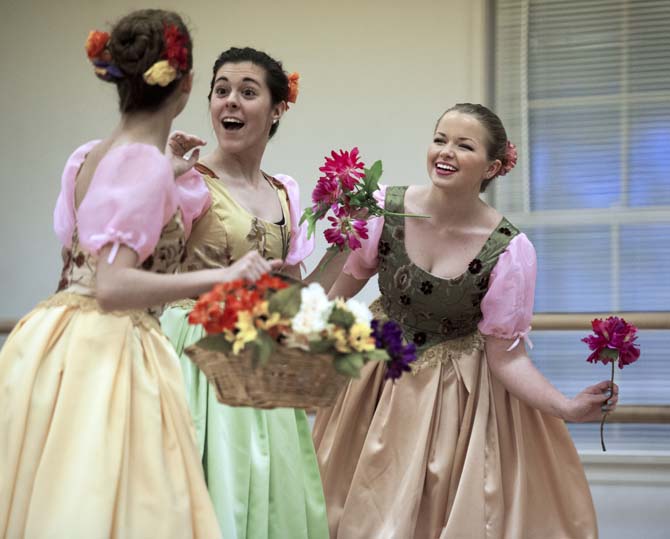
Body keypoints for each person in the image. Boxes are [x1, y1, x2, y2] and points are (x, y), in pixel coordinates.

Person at [0, 11, 278, 538]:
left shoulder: (89, 156)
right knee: (117, 499)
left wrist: (168, 177)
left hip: (52, 338)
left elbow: (82, 244)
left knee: (57, 493)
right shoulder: (143, 163)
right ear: (189, 84)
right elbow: (112, 286)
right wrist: (224, 277)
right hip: (107, 347)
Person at [312, 103, 619, 538]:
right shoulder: (386, 210)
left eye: (463, 145)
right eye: (440, 139)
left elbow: (507, 358)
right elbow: (334, 300)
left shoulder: (508, 250)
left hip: (453, 402)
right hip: (373, 387)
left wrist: (566, 407)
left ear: (492, 166)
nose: (446, 151)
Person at [160, 47, 335, 539]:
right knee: (212, 492)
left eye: (247, 92)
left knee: (269, 499)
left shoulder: (284, 193)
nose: (230, 102)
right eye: (221, 91)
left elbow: (294, 297)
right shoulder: (191, 182)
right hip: (196, 356)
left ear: (278, 108)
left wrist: (344, 244)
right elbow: (144, 268)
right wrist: (160, 177)